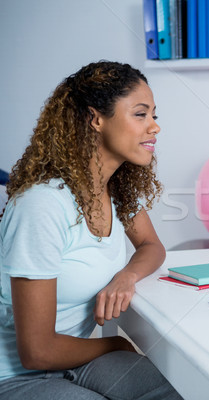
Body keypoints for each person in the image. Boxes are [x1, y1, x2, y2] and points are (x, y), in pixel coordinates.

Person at [0, 61, 182, 399]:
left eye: (155, 115)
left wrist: (126, 276)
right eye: (141, 114)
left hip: (75, 359)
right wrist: (115, 343)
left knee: (174, 392)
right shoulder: (42, 205)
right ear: (96, 119)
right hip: (14, 375)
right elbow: (37, 351)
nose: (155, 127)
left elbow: (152, 247)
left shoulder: (114, 190)